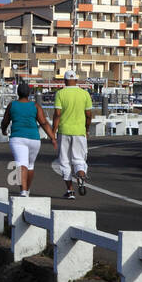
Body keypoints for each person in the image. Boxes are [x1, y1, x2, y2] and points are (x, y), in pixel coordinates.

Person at [0, 82, 55, 196]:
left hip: (18, 138)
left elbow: (5, 121)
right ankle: (26, 190)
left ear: (17, 92)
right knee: (30, 166)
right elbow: (44, 123)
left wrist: (4, 130)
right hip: (34, 139)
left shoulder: (12, 105)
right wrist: (52, 138)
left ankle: (23, 191)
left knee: (21, 164)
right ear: (29, 94)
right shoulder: (35, 106)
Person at [52, 70, 95, 199]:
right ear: (76, 80)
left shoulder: (60, 93)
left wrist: (53, 132)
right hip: (79, 132)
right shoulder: (84, 94)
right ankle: (81, 175)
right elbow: (88, 115)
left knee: (65, 161)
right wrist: (86, 130)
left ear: (64, 81)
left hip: (64, 131)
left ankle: (70, 191)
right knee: (79, 159)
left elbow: (57, 114)